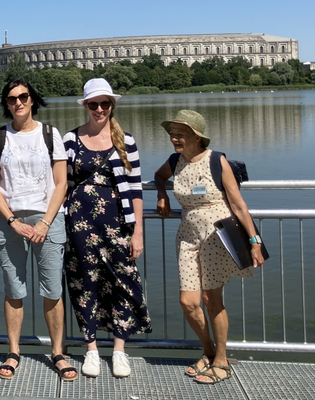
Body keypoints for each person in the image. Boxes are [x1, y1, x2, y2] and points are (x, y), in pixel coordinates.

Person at [154, 110, 264, 384]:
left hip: (217, 237)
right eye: (172, 133)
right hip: (188, 237)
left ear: (197, 135)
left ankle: (222, 362)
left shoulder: (217, 160)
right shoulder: (174, 161)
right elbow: (159, 176)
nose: (174, 138)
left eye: (180, 133)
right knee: (188, 302)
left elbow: (238, 204)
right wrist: (162, 194)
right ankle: (209, 350)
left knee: (210, 300)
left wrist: (254, 242)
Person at [0, 79, 77, 382]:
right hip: (10, 221)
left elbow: (61, 183)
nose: (18, 103)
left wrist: (45, 222)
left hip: (47, 218)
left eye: (23, 97)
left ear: (32, 100)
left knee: (52, 289)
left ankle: (58, 352)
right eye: (12, 99)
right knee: (14, 290)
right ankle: (13, 351)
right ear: (6, 104)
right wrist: (13, 221)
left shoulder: (50, 135)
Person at [63, 78, 151, 378]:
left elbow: (137, 188)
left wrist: (138, 231)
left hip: (118, 224)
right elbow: (61, 184)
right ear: (86, 106)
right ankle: (90, 350)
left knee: (122, 283)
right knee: (84, 284)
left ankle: (119, 350)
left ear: (111, 105)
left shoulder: (125, 141)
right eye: (93, 104)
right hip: (79, 225)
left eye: (104, 103)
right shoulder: (70, 140)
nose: (99, 109)